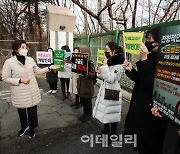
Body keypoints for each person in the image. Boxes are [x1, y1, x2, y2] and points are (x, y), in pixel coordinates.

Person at [123, 27, 167, 154]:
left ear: (159, 41)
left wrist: (144, 59)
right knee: (141, 142)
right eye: (146, 38)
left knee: (150, 144)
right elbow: (141, 80)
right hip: (140, 106)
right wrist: (131, 70)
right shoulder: (151, 57)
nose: (146, 42)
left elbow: (150, 83)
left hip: (152, 111)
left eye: (149, 39)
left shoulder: (163, 60)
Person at [2, 40, 58, 138]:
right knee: (22, 111)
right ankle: (24, 127)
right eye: (22, 47)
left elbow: (39, 71)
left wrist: (49, 68)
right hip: (20, 92)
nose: (25, 49)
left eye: (25, 47)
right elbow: (5, 78)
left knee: (32, 111)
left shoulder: (30, 60)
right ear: (16, 49)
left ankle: (32, 128)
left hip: (32, 90)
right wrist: (20, 80)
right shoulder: (9, 62)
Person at [93, 42, 125, 138]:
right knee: (106, 111)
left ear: (113, 51)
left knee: (112, 113)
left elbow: (111, 79)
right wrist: (99, 71)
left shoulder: (118, 65)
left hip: (113, 91)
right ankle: (106, 130)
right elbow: (104, 76)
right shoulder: (109, 61)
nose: (105, 52)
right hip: (105, 89)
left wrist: (105, 66)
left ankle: (113, 133)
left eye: (107, 50)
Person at [77, 46, 95, 122]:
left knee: (88, 102)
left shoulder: (89, 62)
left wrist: (86, 73)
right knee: (83, 101)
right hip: (81, 85)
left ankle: (88, 115)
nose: (80, 53)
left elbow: (93, 74)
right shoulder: (79, 61)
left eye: (81, 52)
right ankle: (85, 114)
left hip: (87, 86)